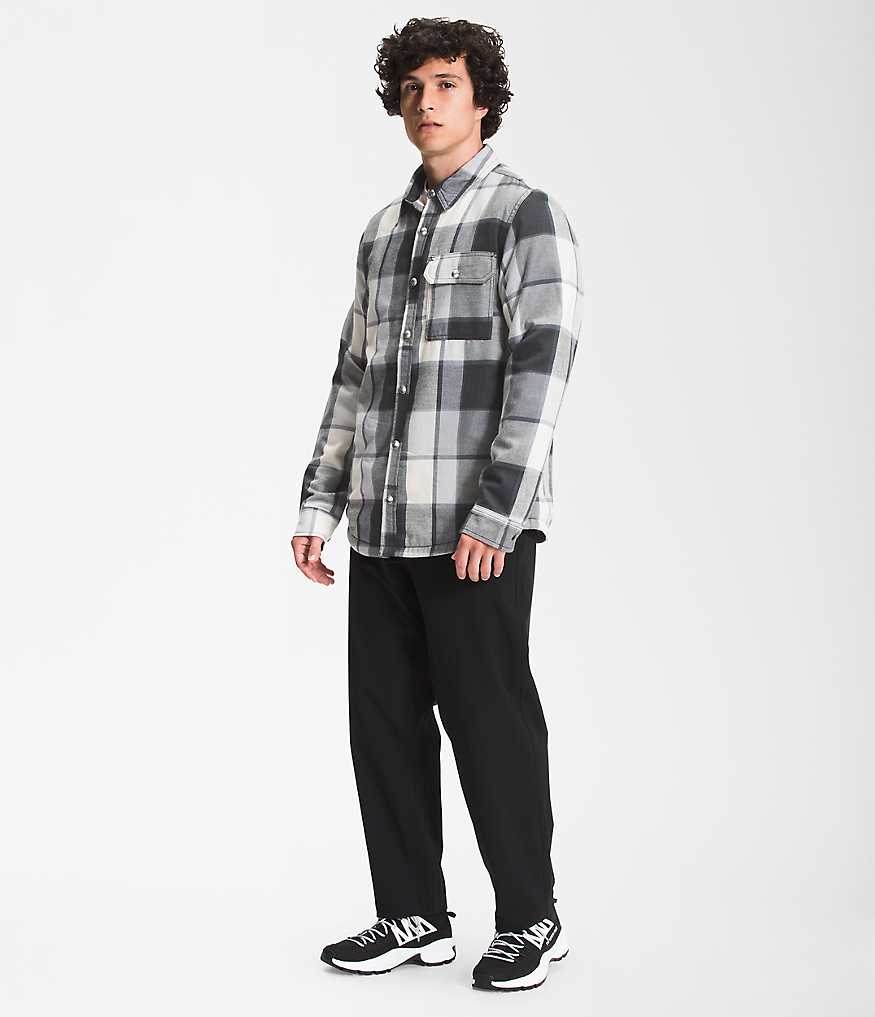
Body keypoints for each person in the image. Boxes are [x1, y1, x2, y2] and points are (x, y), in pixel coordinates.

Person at [291, 17, 583, 992]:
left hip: (472, 532)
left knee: (490, 725)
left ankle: (530, 917)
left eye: (447, 83)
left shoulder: (523, 214)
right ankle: (411, 910)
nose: (427, 102)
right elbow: (353, 375)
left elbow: (543, 369)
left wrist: (495, 514)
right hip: (381, 526)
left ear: (482, 98)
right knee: (382, 726)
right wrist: (319, 503)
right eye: (412, 86)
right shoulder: (382, 232)